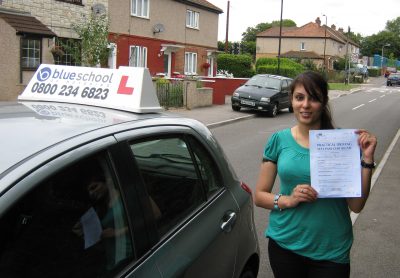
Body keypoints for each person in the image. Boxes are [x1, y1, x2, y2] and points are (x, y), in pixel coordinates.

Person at [254, 71, 377, 278]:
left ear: (324, 101)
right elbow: (259, 196)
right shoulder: (278, 140)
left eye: (314, 98)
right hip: (285, 245)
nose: (305, 105)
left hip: (331, 250)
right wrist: (288, 200)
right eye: (300, 97)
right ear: (291, 100)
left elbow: (356, 206)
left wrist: (367, 159)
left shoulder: (344, 144)